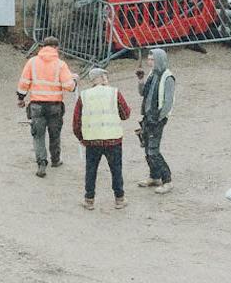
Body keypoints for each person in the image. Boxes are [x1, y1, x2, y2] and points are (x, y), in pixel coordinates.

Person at [72, 70, 135, 207]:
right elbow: (125, 114)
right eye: (105, 76)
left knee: (91, 170)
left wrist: (82, 138)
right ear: (101, 78)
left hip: (92, 140)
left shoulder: (84, 95)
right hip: (113, 139)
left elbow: (76, 122)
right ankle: (119, 198)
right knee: (116, 170)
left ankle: (89, 200)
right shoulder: (114, 92)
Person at [18, 40, 76, 177]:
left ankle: (41, 163)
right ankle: (55, 159)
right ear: (56, 47)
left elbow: (24, 82)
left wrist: (21, 98)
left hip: (36, 105)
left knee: (38, 135)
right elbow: (69, 86)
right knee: (55, 134)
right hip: (55, 105)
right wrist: (75, 81)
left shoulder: (32, 62)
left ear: (42, 46)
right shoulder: (60, 64)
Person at [135, 46, 177, 190]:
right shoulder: (152, 74)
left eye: (152, 59)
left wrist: (158, 118)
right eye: (149, 59)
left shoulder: (168, 77)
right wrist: (141, 79)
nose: (149, 61)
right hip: (148, 117)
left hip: (156, 119)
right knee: (147, 148)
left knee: (153, 150)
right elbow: (143, 93)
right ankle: (154, 176)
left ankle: (167, 180)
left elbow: (168, 102)